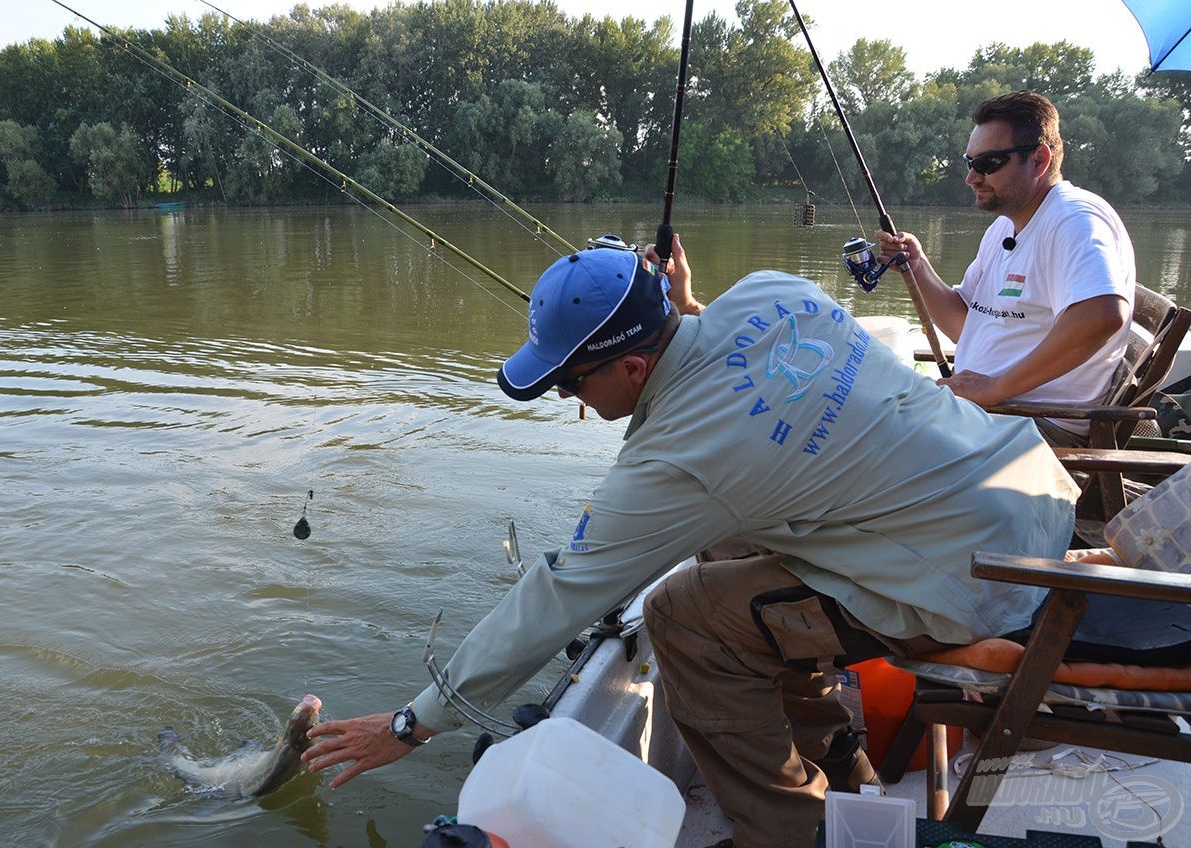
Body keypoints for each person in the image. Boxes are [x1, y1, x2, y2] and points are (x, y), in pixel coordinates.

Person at [301, 237, 1084, 848]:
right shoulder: (774, 290)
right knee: (718, 556)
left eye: (570, 383)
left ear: (634, 365)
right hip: (1029, 487)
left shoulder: (670, 463)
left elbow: (550, 601)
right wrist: (683, 313)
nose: (566, 397)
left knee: (680, 612)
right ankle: (839, 757)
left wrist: (413, 723)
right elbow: (738, 368)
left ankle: (785, 829)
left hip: (980, 579)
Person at [875, 90, 1135, 447]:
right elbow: (964, 325)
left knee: (859, 437)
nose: (972, 177)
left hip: (1030, 425)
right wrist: (918, 266)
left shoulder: (1073, 219)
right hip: (990, 411)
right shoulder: (1006, 225)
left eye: (988, 163)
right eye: (970, 162)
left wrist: (996, 389)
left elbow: (1103, 315)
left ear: (1039, 160)